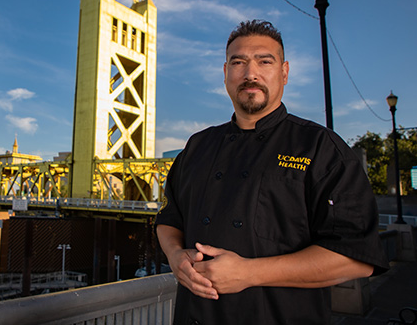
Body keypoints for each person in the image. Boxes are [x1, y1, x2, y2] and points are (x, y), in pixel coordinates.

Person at [155, 19, 389, 324]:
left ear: (284, 72)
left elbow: (356, 258)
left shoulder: (320, 147)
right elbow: (170, 219)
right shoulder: (198, 146)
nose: (250, 73)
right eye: (238, 62)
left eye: (265, 61)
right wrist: (174, 256)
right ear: (226, 74)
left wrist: (249, 273)